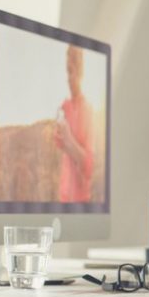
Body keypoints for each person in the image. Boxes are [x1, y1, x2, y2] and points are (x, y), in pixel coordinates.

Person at [54, 44, 94, 202]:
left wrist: (69, 141)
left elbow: (88, 166)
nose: (69, 78)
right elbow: (59, 143)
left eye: (72, 71)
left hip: (80, 202)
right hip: (64, 197)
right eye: (67, 71)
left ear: (81, 72)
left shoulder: (88, 110)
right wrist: (59, 135)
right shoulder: (66, 106)